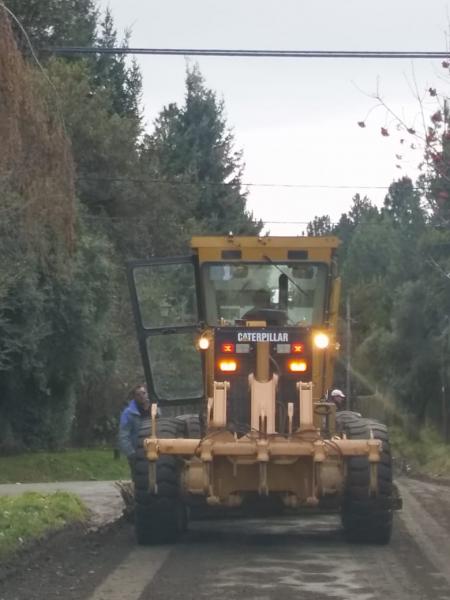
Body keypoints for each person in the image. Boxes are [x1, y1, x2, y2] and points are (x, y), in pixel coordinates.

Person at [118, 384, 150, 477]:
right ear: (134, 397)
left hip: (155, 450)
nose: (142, 396)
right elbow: (123, 435)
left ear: (147, 394)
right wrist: (131, 453)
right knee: (139, 480)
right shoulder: (128, 413)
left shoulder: (155, 410)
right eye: (138, 394)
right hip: (137, 452)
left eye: (143, 393)